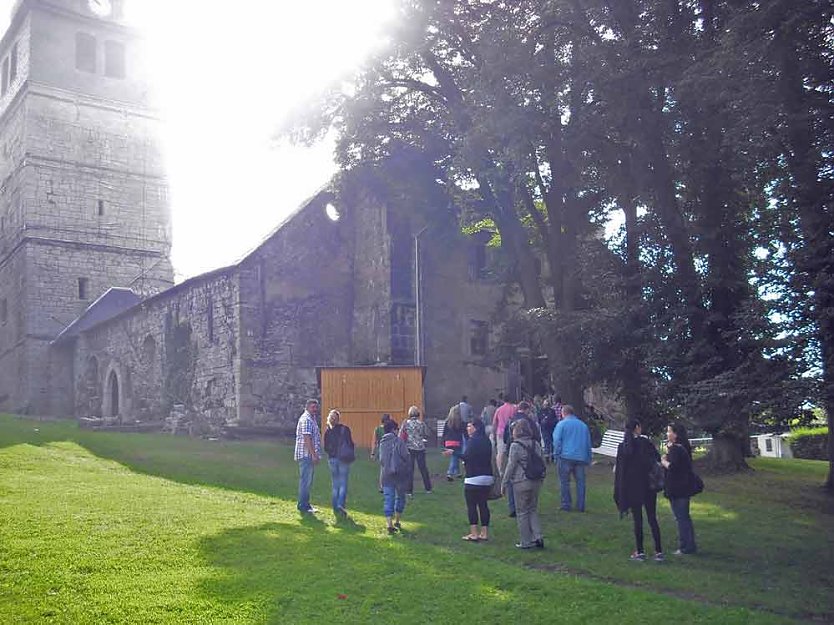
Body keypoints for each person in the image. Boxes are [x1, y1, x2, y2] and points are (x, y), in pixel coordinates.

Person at [614, 419, 664, 561]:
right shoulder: (645, 444)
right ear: (637, 428)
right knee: (652, 517)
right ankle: (658, 551)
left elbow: (620, 471)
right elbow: (656, 460)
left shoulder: (623, 447)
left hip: (633, 488)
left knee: (638, 520)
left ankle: (640, 551)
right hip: (648, 485)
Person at [444, 417, 493, 541]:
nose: (467, 428)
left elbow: (467, 457)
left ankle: (474, 533)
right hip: (487, 477)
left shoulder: (472, 441)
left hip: (473, 478)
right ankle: (485, 532)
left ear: (475, 428)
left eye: (470, 426)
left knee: (472, 505)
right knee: (483, 505)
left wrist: (453, 453)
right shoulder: (487, 441)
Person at [502, 418, 545, 549]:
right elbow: (542, 461)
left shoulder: (515, 446)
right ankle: (538, 536)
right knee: (532, 509)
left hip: (521, 482)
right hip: (536, 481)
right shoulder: (535, 444)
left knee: (522, 512)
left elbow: (511, 466)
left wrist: (504, 482)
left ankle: (525, 541)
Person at [662, 423, 698, 555]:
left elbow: (673, 467)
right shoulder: (680, 448)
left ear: (676, 434)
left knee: (681, 517)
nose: (667, 434)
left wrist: (663, 461)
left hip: (678, 488)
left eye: (669, 431)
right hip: (681, 487)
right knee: (684, 517)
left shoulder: (677, 449)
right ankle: (689, 545)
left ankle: (686, 547)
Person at [552, 404, 592, 512]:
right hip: (580, 457)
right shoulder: (583, 426)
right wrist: (588, 457)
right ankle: (581, 505)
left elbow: (557, 441)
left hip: (565, 456)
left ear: (563, 413)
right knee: (580, 482)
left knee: (564, 481)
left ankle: (566, 504)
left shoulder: (561, 424)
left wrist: (556, 454)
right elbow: (588, 443)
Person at [379, 419, 411, 534]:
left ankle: (389, 523)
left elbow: (381, 459)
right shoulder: (399, 441)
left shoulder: (382, 442)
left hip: (386, 474)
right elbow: (406, 456)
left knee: (388, 498)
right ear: (393, 429)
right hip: (399, 474)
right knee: (400, 497)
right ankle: (397, 520)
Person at [323, 409, 355, 517]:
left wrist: (332, 452)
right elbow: (350, 443)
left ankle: (335, 505)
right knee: (343, 482)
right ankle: (341, 504)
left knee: (335, 483)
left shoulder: (327, 431)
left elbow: (326, 447)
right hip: (343, 458)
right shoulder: (345, 429)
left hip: (332, 459)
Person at [294, 399, 322, 514]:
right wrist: (313, 455)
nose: (315, 409)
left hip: (308, 454)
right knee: (305, 480)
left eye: (316, 407)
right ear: (307, 407)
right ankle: (303, 506)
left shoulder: (312, 418)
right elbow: (307, 438)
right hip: (306, 455)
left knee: (307, 480)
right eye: (313, 407)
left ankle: (306, 503)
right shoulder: (306, 419)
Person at [400, 405, 433, 494]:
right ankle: (428, 488)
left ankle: (409, 491)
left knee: (410, 469)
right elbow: (427, 433)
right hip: (420, 448)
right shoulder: (421, 423)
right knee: (423, 468)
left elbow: (400, 435)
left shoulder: (405, 423)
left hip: (409, 448)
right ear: (417, 413)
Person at [492, 394, 518, 473]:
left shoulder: (499, 410)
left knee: (500, 452)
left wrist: (494, 433)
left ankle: (500, 470)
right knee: (512, 451)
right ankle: (513, 468)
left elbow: (494, 423)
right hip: (512, 432)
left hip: (501, 432)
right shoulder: (514, 408)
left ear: (503, 400)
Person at [442, 404, 465, 481]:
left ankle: (457, 472)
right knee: (455, 457)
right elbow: (463, 432)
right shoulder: (460, 422)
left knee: (455, 456)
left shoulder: (447, 422)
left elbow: (444, 433)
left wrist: (443, 442)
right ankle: (450, 473)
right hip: (456, 442)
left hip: (448, 442)